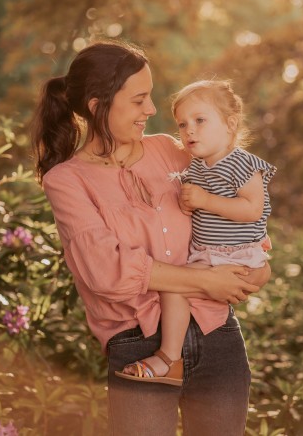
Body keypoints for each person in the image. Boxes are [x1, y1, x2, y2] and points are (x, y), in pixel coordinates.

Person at [32, 40, 269, 436]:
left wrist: (256, 257)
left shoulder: (169, 150)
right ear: (97, 105)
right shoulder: (67, 181)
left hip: (217, 334)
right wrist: (207, 280)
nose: (153, 110)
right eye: (139, 99)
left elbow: (234, 200)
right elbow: (106, 272)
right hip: (136, 346)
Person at [117, 79, 276, 389]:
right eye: (182, 124)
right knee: (176, 288)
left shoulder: (242, 164)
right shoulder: (198, 167)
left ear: (230, 124)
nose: (189, 130)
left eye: (200, 120)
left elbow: (253, 209)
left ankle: (167, 358)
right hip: (211, 255)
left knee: (175, 289)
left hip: (235, 254)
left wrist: (204, 201)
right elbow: (198, 207)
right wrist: (190, 206)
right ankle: (172, 360)